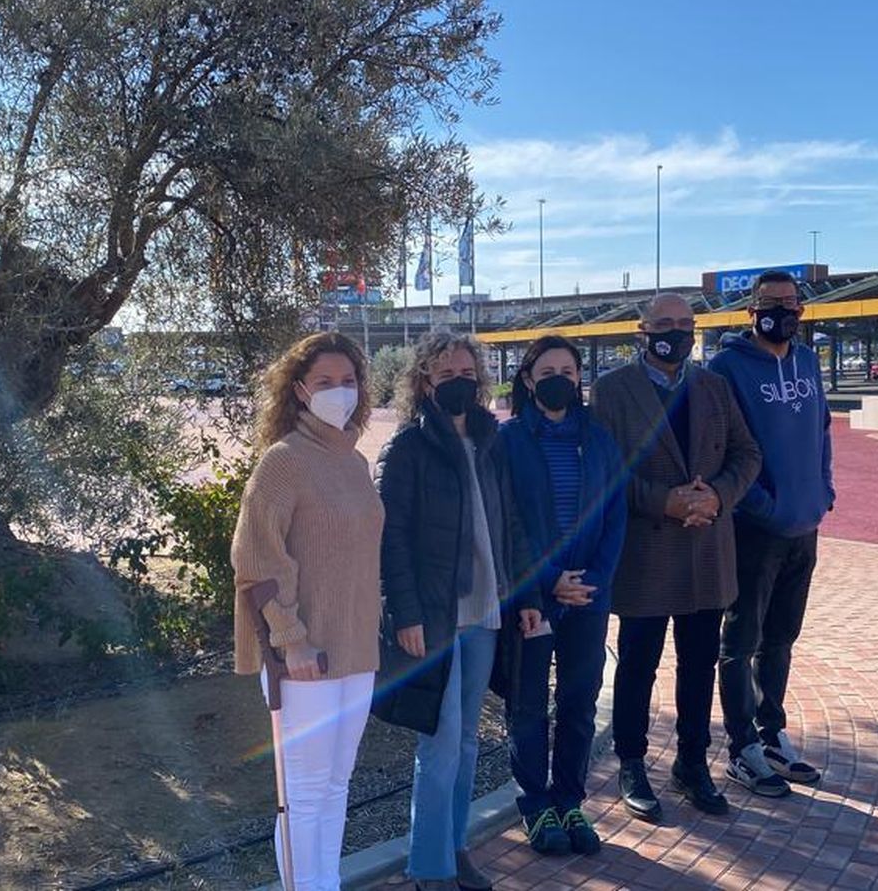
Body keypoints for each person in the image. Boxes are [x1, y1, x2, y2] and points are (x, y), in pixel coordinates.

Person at [374, 328, 542, 891]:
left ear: (481, 379)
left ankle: (455, 844)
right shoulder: (408, 448)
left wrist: (525, 598)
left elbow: (511, 527)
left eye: (466, 374)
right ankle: (429, 864)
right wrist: (406, 615)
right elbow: (390, 538)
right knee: (441, 742)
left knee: (469, 738)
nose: (458, 384)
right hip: (436, 620)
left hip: (486, 614)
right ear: (424, 381)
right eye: (445, 375)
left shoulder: (491, 442)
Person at [589, 292, 762, 823]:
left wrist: (717, 496)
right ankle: (633, 763)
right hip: (646, 552)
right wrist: (664, 500)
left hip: (706, 550)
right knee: (638, 664)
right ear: (642, 330)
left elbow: (747, 453)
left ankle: (691, 763)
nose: (676, 332)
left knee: (698, 665)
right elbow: (606, 468)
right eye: (664, 323)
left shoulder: (713, 387)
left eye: (685, 324)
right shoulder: (613, 391)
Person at [231, 332, 384, 891]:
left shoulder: (354, 461)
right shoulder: (284, 461)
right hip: (305, 653)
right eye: (324, 382)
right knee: (303, 791)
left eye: (347, 381)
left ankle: (326, 883)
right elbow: (255, 558)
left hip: (356, 647)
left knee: (337, 784)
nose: (338, 392)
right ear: (299, 390)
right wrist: (290, 639)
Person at [497, 335, 628, 857]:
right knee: (527, 704)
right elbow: (508, 523)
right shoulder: (507, 442)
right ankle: (536, 805)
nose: (559, 379)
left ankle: (570, 800)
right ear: (528, 380)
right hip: (534, 597)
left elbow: (615, 517)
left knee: (578, 700)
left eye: (568, 371)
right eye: (547, 370)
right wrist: (549, 578)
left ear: (579, 379)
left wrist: (593, 579)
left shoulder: (600, 440)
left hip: (588, 598)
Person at [709, 271, 834, 797]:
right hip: (754, 530)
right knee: (741, 641)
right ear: (750, 310)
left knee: (781, 638)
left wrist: (822, 493)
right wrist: (762, 505)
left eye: (791, 304)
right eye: (770, 303)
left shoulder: (807, 361)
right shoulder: (727, 368)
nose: (781, 312)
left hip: (805, 527)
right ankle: (742, 749)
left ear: (802, 310)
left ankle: (771, 733)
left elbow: (822, 430)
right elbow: (721, 449)